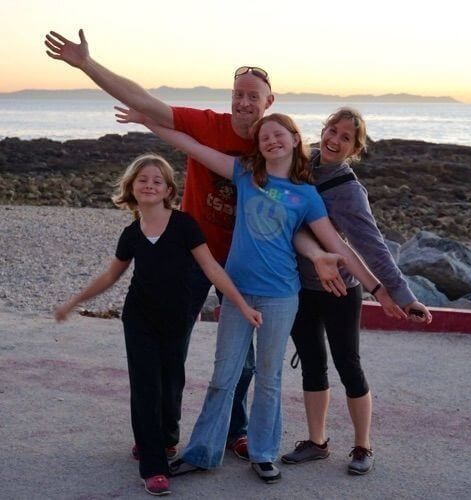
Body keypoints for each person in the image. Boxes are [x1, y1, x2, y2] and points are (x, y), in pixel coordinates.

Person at [44, 30, 345, 459]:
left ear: (269, 103)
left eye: (253, 96)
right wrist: (87, 64)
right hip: (191, 253)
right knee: (172, 343)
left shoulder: (272, 142)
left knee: (241, 357)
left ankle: (234, 430)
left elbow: (297, 201)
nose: (244, 102)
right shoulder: (209, 124)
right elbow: (147, 102)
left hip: (245, 263)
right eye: (238, 94)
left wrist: (328, 255)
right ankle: (164, 434)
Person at [120, 109, 406, 483]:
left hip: (281, 296)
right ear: (259, 146)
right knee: (224, 375)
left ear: (294, 139)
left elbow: (341, 246)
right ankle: (202, 452)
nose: (271, 141)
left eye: (279, 135)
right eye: (264, 137)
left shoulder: (306, 195)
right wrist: (147, 120)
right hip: (239, 290)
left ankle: (264, 453)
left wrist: (381, 290)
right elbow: (190, 144)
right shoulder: (244, 174)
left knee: (269, 378)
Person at [53, 154, 263, 496]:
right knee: (146, 386)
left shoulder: (184, 226)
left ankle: (165, 438)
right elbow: (111, 275)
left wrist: (241, 306)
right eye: (143, 180)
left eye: (157, 180)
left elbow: (212, 270)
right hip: (139, 319)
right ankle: (153, 464)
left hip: (176, 318)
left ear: (168, 189)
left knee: (171, 382)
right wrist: (74, 301)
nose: (149, 184)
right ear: (131, 188)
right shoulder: (131, 234)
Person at [277, 108, 432, 475]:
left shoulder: (349, 191)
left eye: (346, 137)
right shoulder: (299, 164)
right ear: (323, 129)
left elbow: (372, 245)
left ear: (354, 149)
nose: (335, 139)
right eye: (333, 129)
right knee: (312, 365)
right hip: (299, 285)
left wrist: (402, 295)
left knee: (349, 365)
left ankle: (363, 446)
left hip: (339, 289)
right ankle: (317, 442)